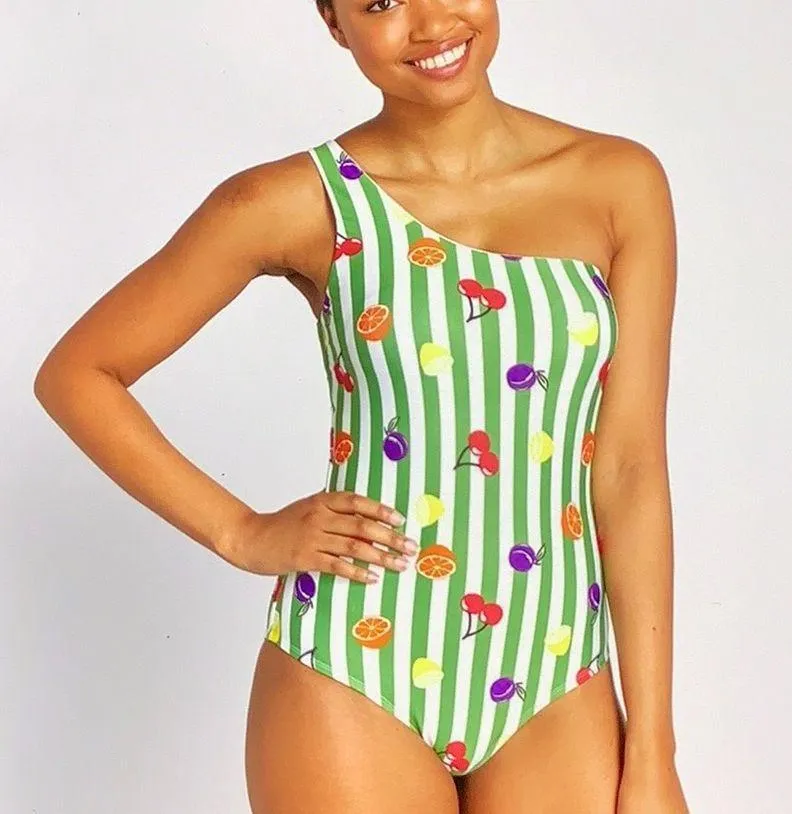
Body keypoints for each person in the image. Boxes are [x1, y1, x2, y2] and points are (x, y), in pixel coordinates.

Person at [33, 0, 687, 812]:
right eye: (380, 1)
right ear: (333, 22)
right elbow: (78, 373)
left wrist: (653, 748)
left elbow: (628, 469)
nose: (430, 23)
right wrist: (241, 531)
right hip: (355, 659)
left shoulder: (619, 182)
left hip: (557, 669)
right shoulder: (298, 200)